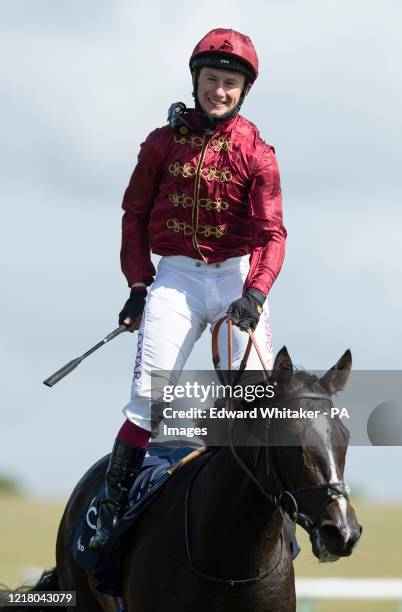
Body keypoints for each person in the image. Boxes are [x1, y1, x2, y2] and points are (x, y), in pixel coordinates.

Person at [89, 27, 287, 550]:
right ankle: (110, 510)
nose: (218, 91)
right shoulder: (160, 143)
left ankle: (279, 515)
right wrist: (138, 284)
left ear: (243, 92)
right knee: (147, 401)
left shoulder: (258, 153)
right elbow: (134, 215)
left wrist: (256, 291)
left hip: (234, 278)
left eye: (229, 84)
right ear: (196, 80)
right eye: (210, 80)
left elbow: (273, 233)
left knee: (256, 404)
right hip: (175, 277)